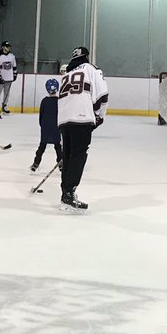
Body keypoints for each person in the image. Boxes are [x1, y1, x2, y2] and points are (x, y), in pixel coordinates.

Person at [57, 46, 108, 212]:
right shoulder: (91, 69)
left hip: (64, 119)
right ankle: (69, 193)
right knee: (79, 155)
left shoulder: (66, 74)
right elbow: (102, 95)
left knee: (69, 155)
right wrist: (99, 116)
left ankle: (65, 193)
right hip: (81, 117)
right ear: (86, 56)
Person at [31, 78, 62, 173]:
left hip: (46, 127)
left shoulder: (44, 101)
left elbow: (41, 116)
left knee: (42, 146)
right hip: (56, 127)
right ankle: (61, 163)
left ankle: (36, 163)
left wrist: (43, 126)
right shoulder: (60, 101)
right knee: (58, 146)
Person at [0, 40, 17, 118]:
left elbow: (14, 66)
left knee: (7, 94)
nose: (8, 48)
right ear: (3, 47)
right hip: (0, 80)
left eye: (9, 47)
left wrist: (14, 75)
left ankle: (5, 106)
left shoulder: (12, 56)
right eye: (7, 46)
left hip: (9, 79)